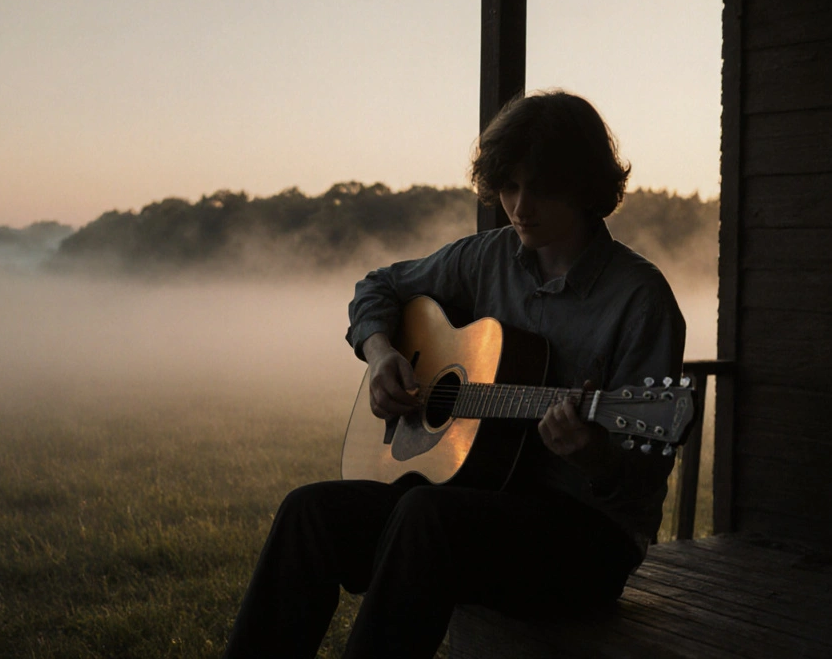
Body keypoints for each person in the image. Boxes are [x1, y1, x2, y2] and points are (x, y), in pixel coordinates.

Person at [221, 90, 685, 659]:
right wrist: (380, 354)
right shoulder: (487, 258)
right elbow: (379, 286)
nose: (520, 206)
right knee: (309, 511)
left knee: (426, 514)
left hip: (588, 541)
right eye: (509, 185)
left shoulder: (641, 299)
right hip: (480, 502)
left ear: (585, 185)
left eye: (540, 187)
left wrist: (593, 455)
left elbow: (643, 479)